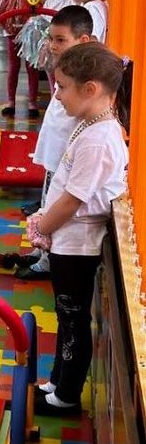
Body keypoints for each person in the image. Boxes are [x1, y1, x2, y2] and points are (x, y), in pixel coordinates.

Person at [27, 43, 131, 416]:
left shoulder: (100, 139)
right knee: (66, 317)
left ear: (90, 89)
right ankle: (57, 383)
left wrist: (43, 226)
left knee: (72, 321)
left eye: (62, 87)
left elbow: (73, 199)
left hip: (76, 246)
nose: (56, 94)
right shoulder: (90, 126)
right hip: (67, 241)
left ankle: (66, 396)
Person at [17, 6, 93, 281]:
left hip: (66, 158)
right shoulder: (66, 68)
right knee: (47, 201)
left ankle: (48, 260)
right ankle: (41, 250)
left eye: (60, 40)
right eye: (51, 38)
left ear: (83, 41)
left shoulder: (82, 75)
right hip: (55, 156)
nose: (52, 45)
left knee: (55, 206)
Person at [0, 0, 48, 119]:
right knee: (13, 66)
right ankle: (10, 101)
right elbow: (5, 5)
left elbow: (44, 6)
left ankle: (32, 101)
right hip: (12, 30)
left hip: (31, 32)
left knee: (31, 67)